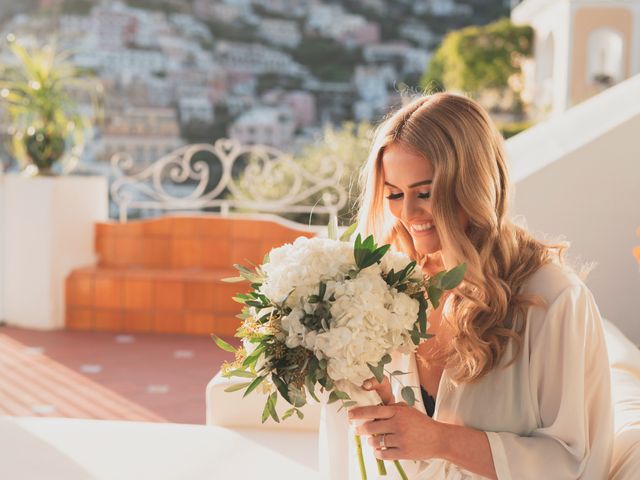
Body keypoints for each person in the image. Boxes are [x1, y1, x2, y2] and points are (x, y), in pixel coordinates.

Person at [329, 93, 614, 479]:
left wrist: (440, 440)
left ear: (472, 182)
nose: (408, 213)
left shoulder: (553, 297)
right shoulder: (384, 283)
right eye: (394, 194)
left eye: (425, 192)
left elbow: (575, 463)